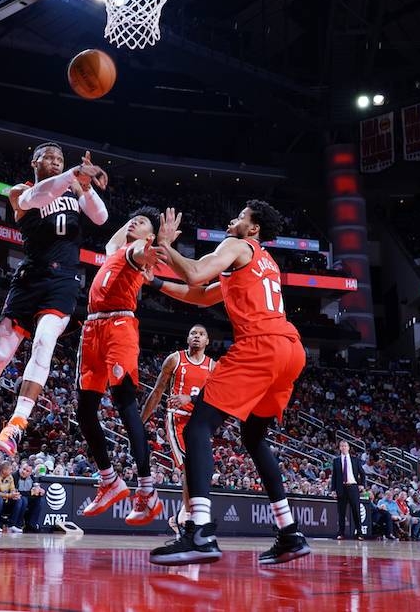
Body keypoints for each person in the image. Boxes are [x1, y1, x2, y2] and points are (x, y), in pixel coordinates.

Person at [145, 203, 310, 566]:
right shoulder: (265, 261)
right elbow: (202, 295)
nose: (233, 219)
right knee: (252, 437)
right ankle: (290, 533)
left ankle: (200, 531)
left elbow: (195, 273)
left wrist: (165, 245)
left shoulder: (236, 245)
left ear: (253, 230)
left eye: (241, 216)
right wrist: (155, 282)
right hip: (291, 349)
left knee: (200, 425)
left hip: (261, 345)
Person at [0, 145, 109, 455]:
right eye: (50, 157)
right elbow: (40, 197)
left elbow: (101, 218)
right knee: (0, 354)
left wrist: (85, 187)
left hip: (63, 281)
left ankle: (17, 423)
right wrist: (74, 173)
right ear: (35, 161)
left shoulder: (74, 189)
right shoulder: (21, 191)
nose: (56, 161)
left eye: (61, 158)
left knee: (45, 341)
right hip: (31, 278)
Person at [76, 207, 164, 525]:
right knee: (83, 411)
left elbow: (143, 249)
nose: (133, 223)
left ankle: (147, 489)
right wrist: (134, 222)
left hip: (119, 327)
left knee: (125, 406)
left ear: (149, 236)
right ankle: (110, 480)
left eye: (141, 223)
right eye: (132, 219)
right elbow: (116, 241)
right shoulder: (116, 251)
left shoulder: (136, 252)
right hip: (93, 329)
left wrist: (152, 242)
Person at [141, 323, 216, 534]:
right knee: (188, 466)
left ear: (207, 341)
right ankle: (189, 519)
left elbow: (214, 397)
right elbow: (157, 392)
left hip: (199, 422)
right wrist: (140, 423)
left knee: (202, 469)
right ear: (187, 338)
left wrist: (189, 398)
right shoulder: (175, 359)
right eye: (193, 333)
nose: (197, 337)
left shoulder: (213, 366)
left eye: (201, 334)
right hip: (177, 418)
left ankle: (181, 515)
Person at [330, 440, 364, 540]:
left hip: (353, 487)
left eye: (345, 446)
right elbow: (334, 476)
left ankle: (359, 533)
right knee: (341, 512)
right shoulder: (336, 460)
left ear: (348, 448)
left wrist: (361, 484)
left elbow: (362, 473)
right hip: (341, 488)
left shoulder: (355, 459)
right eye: (342, 446)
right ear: (340, 448)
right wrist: (333, 490)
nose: (344, 447)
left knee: (356, 511)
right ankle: (341, 533)